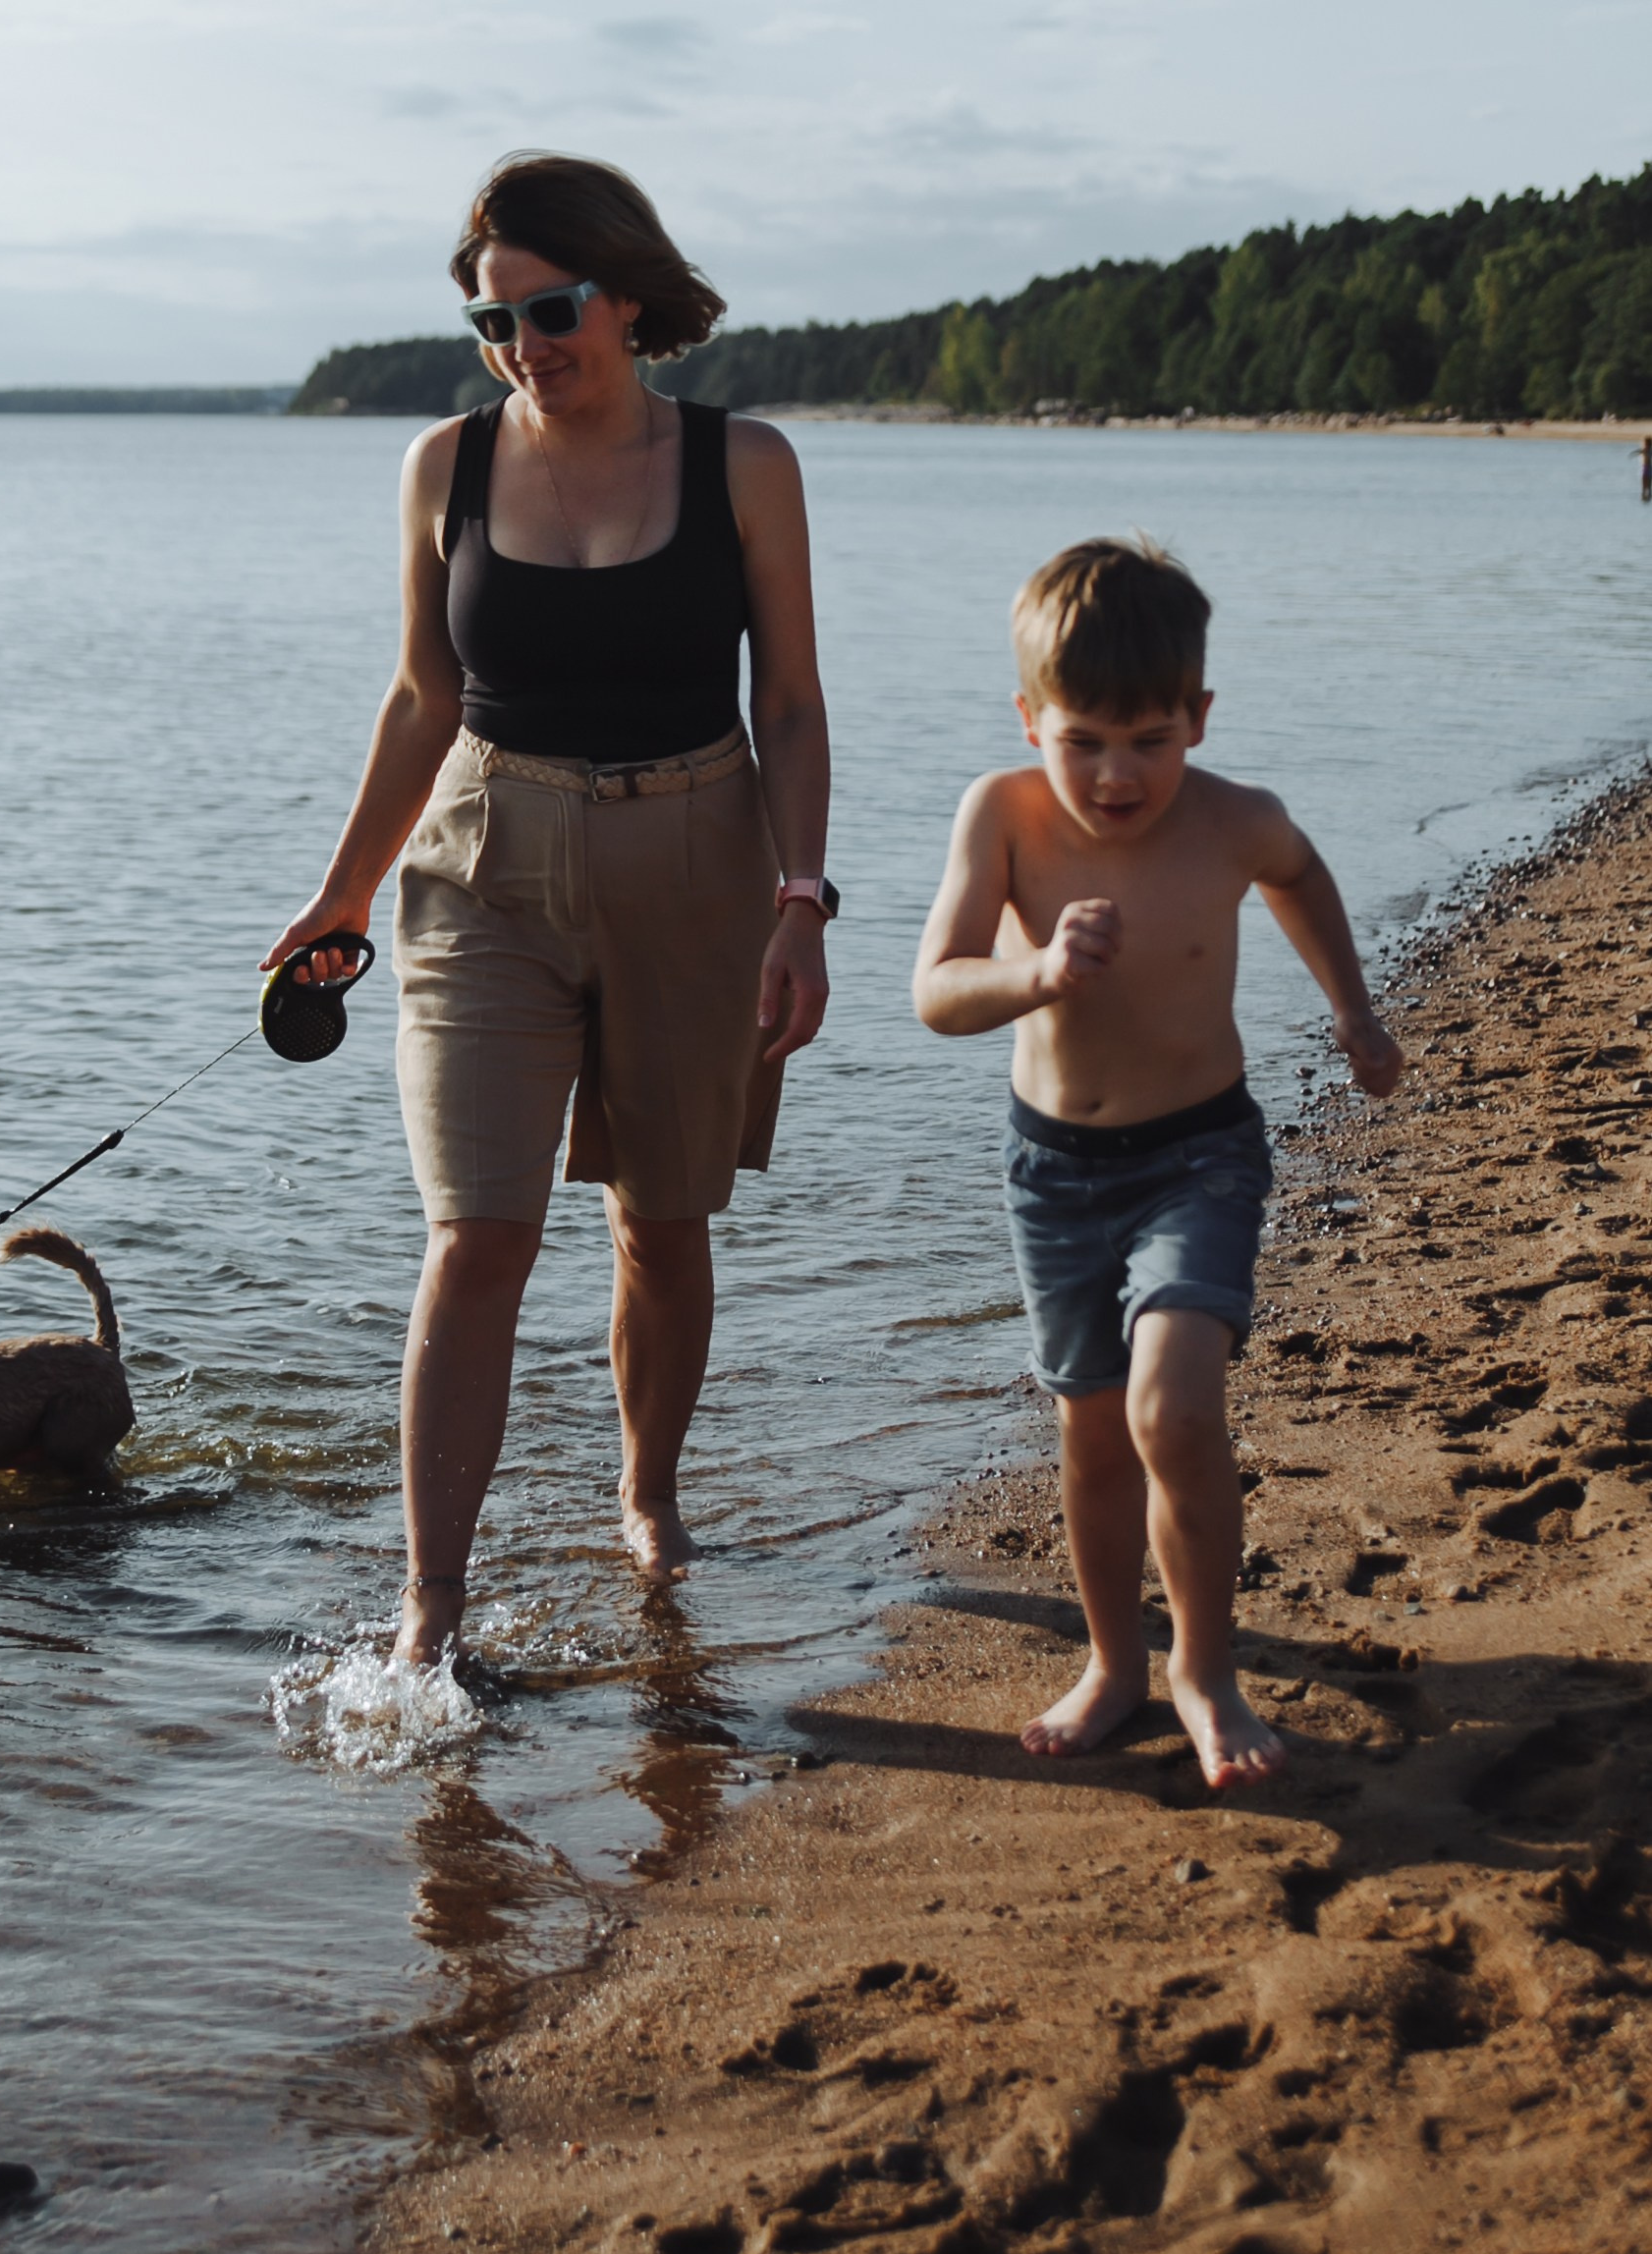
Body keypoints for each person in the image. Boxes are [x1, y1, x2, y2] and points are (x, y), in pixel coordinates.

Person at [266, 153, 833, 1665]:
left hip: (701, 855)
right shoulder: (442, 466)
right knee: (477, 1235)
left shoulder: (746, 465)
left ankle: (646, 1496)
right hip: (483, 870)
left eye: (552, 308)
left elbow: (789, 699)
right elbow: (419, 695)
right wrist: (344, 886)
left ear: (626, 295)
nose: (526, 346)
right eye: (494, 322)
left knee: (662, 1220)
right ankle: (429, 1608)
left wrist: (802, 901)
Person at [910, 536, 1404, 1790]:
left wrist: (1350, 1010)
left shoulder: (1236, 819)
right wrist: (1032, 972)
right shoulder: (1002, 815)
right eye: (1083, 739)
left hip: (1198, 1153)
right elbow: (936, 990)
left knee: (1169, 1406)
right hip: (1055, 1170)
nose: (1116, 772)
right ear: (1030, 721)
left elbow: (1299, 877)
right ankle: (1115, 1661)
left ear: (1196, 714)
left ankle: (1203, 1667)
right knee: (1089, 1432)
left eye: (1147, 736)